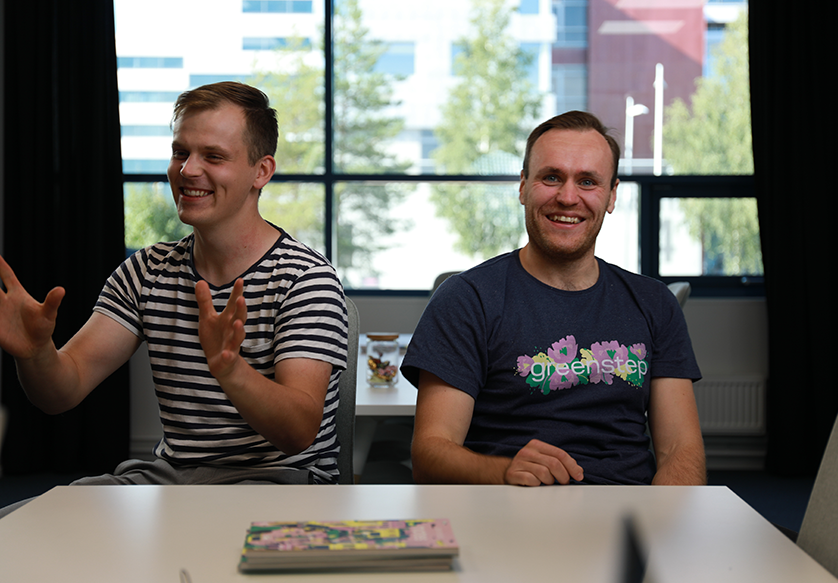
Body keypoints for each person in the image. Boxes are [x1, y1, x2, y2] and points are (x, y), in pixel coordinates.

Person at [0, 82, 348, 511]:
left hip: (279, 484)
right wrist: (35, 354)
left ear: (261, 171)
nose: (187, 170)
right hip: (170, 480)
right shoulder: (147, 270)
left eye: (213, 156)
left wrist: (230, 370)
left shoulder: (305, 279)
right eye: (180, 152)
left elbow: (299, 433)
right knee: (17, 525)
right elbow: (60, 393)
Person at [401, 110, 705, 487]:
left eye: (588, 181)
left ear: (612, 195)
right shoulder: (467, 299)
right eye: (551, 177)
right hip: (507, 505)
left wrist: (658, 520)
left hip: (626, 510)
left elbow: (680, 450)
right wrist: (503, 471)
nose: (567, 197)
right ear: (523, 187)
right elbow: (430, 452)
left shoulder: (655, 303)